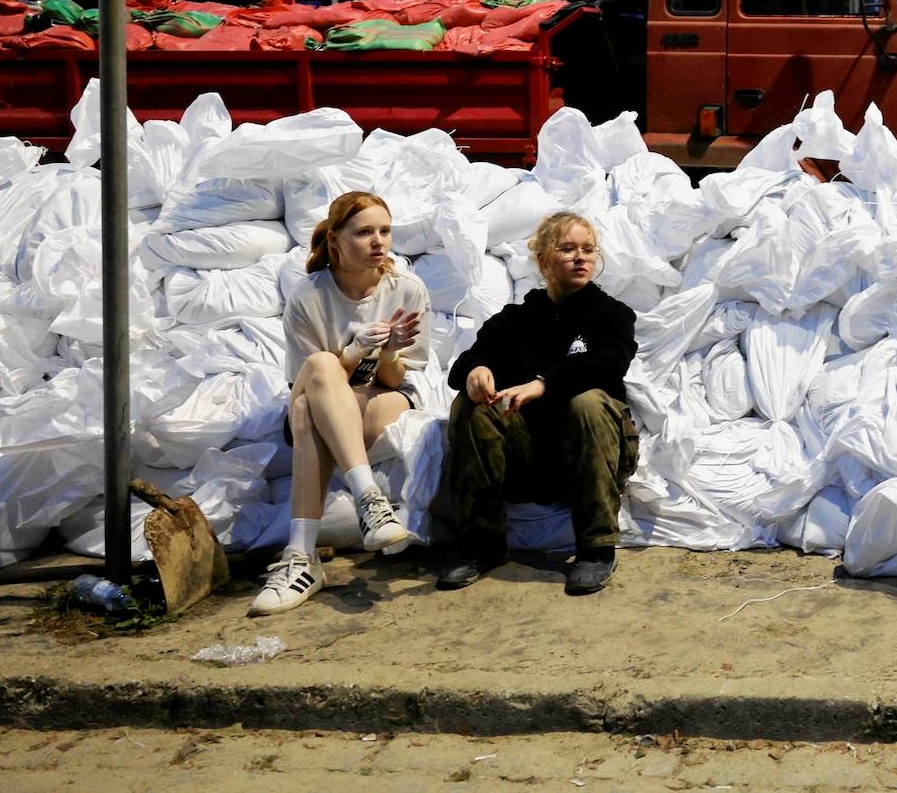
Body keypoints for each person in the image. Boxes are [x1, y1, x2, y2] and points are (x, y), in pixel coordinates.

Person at [439, 212, 640, 595]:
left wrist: (543, 384)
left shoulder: (611, 315)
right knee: (469, 405)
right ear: (543, 259)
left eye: (588, 249)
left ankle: (597, 547)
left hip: (592, 452)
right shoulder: (517, 319)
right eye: (567, 249)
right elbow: (466, 362)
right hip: (530, 456)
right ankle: (482, 543)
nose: (581, 258)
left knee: (589, 402)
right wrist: (475, 371)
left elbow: (609, 364)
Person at [251, 191, 428, 616]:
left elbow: (394, 379)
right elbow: (309, 380)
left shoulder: (406, 289)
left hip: (382, 398)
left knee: (307, 411)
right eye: (364, 232)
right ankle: (370, 500)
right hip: (320, 396)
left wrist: (387, 351)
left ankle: (301, 558)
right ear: (334, 240)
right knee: (318, 374)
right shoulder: (308, 295)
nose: (378, 242)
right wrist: (351, 351)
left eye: (385, 231)